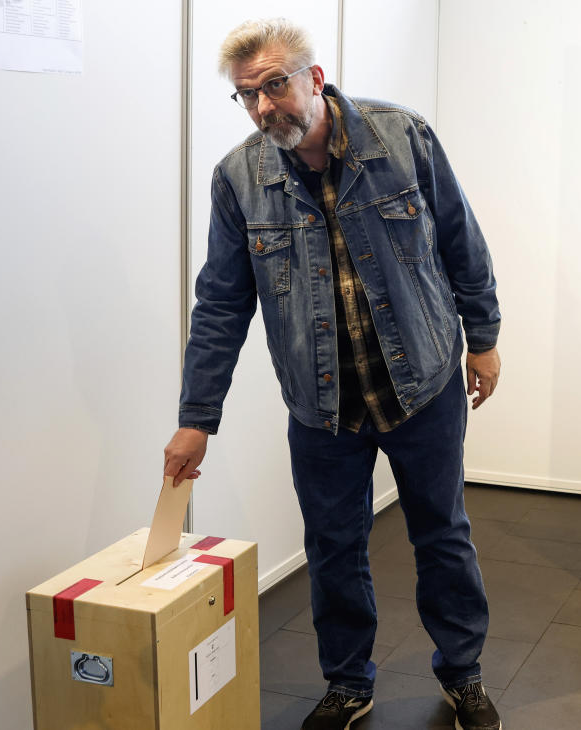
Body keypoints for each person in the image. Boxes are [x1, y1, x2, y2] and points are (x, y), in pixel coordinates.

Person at [163, 18, 503, 730]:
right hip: (322, 404)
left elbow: (461, 241)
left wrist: (484, 338)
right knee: (333, 545)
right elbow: (221, 304)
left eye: (275, 85)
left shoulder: (402, 139)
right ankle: (349, 683)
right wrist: (198, 418)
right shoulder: (239, 180)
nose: (264, 107)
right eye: (247, 95)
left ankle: (462, 672)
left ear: (315, 79)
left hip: (424, 385)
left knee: (440, 533)